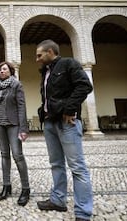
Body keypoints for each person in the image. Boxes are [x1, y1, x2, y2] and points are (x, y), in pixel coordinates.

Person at [35, 39, 93, 221]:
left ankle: (83, 212)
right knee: (56, 164)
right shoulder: (45, 71)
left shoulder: (68, 63)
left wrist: (70, 108)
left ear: (50, 51)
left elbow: (85, 85)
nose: (37, 59)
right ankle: (58, 200)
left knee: (77, 167)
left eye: (39, 55)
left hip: (66, 122)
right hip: (50, 123)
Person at [0, 61, 30, 206]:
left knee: (17, 155)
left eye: (4, 69)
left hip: (14, 124)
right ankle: (6, 186)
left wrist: (23, 128)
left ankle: (26, 189)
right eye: (0, 69)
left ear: (11, 71)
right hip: (0, 124)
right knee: (4, 155)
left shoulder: (16, 85)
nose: (1, 71)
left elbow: (21, 106)